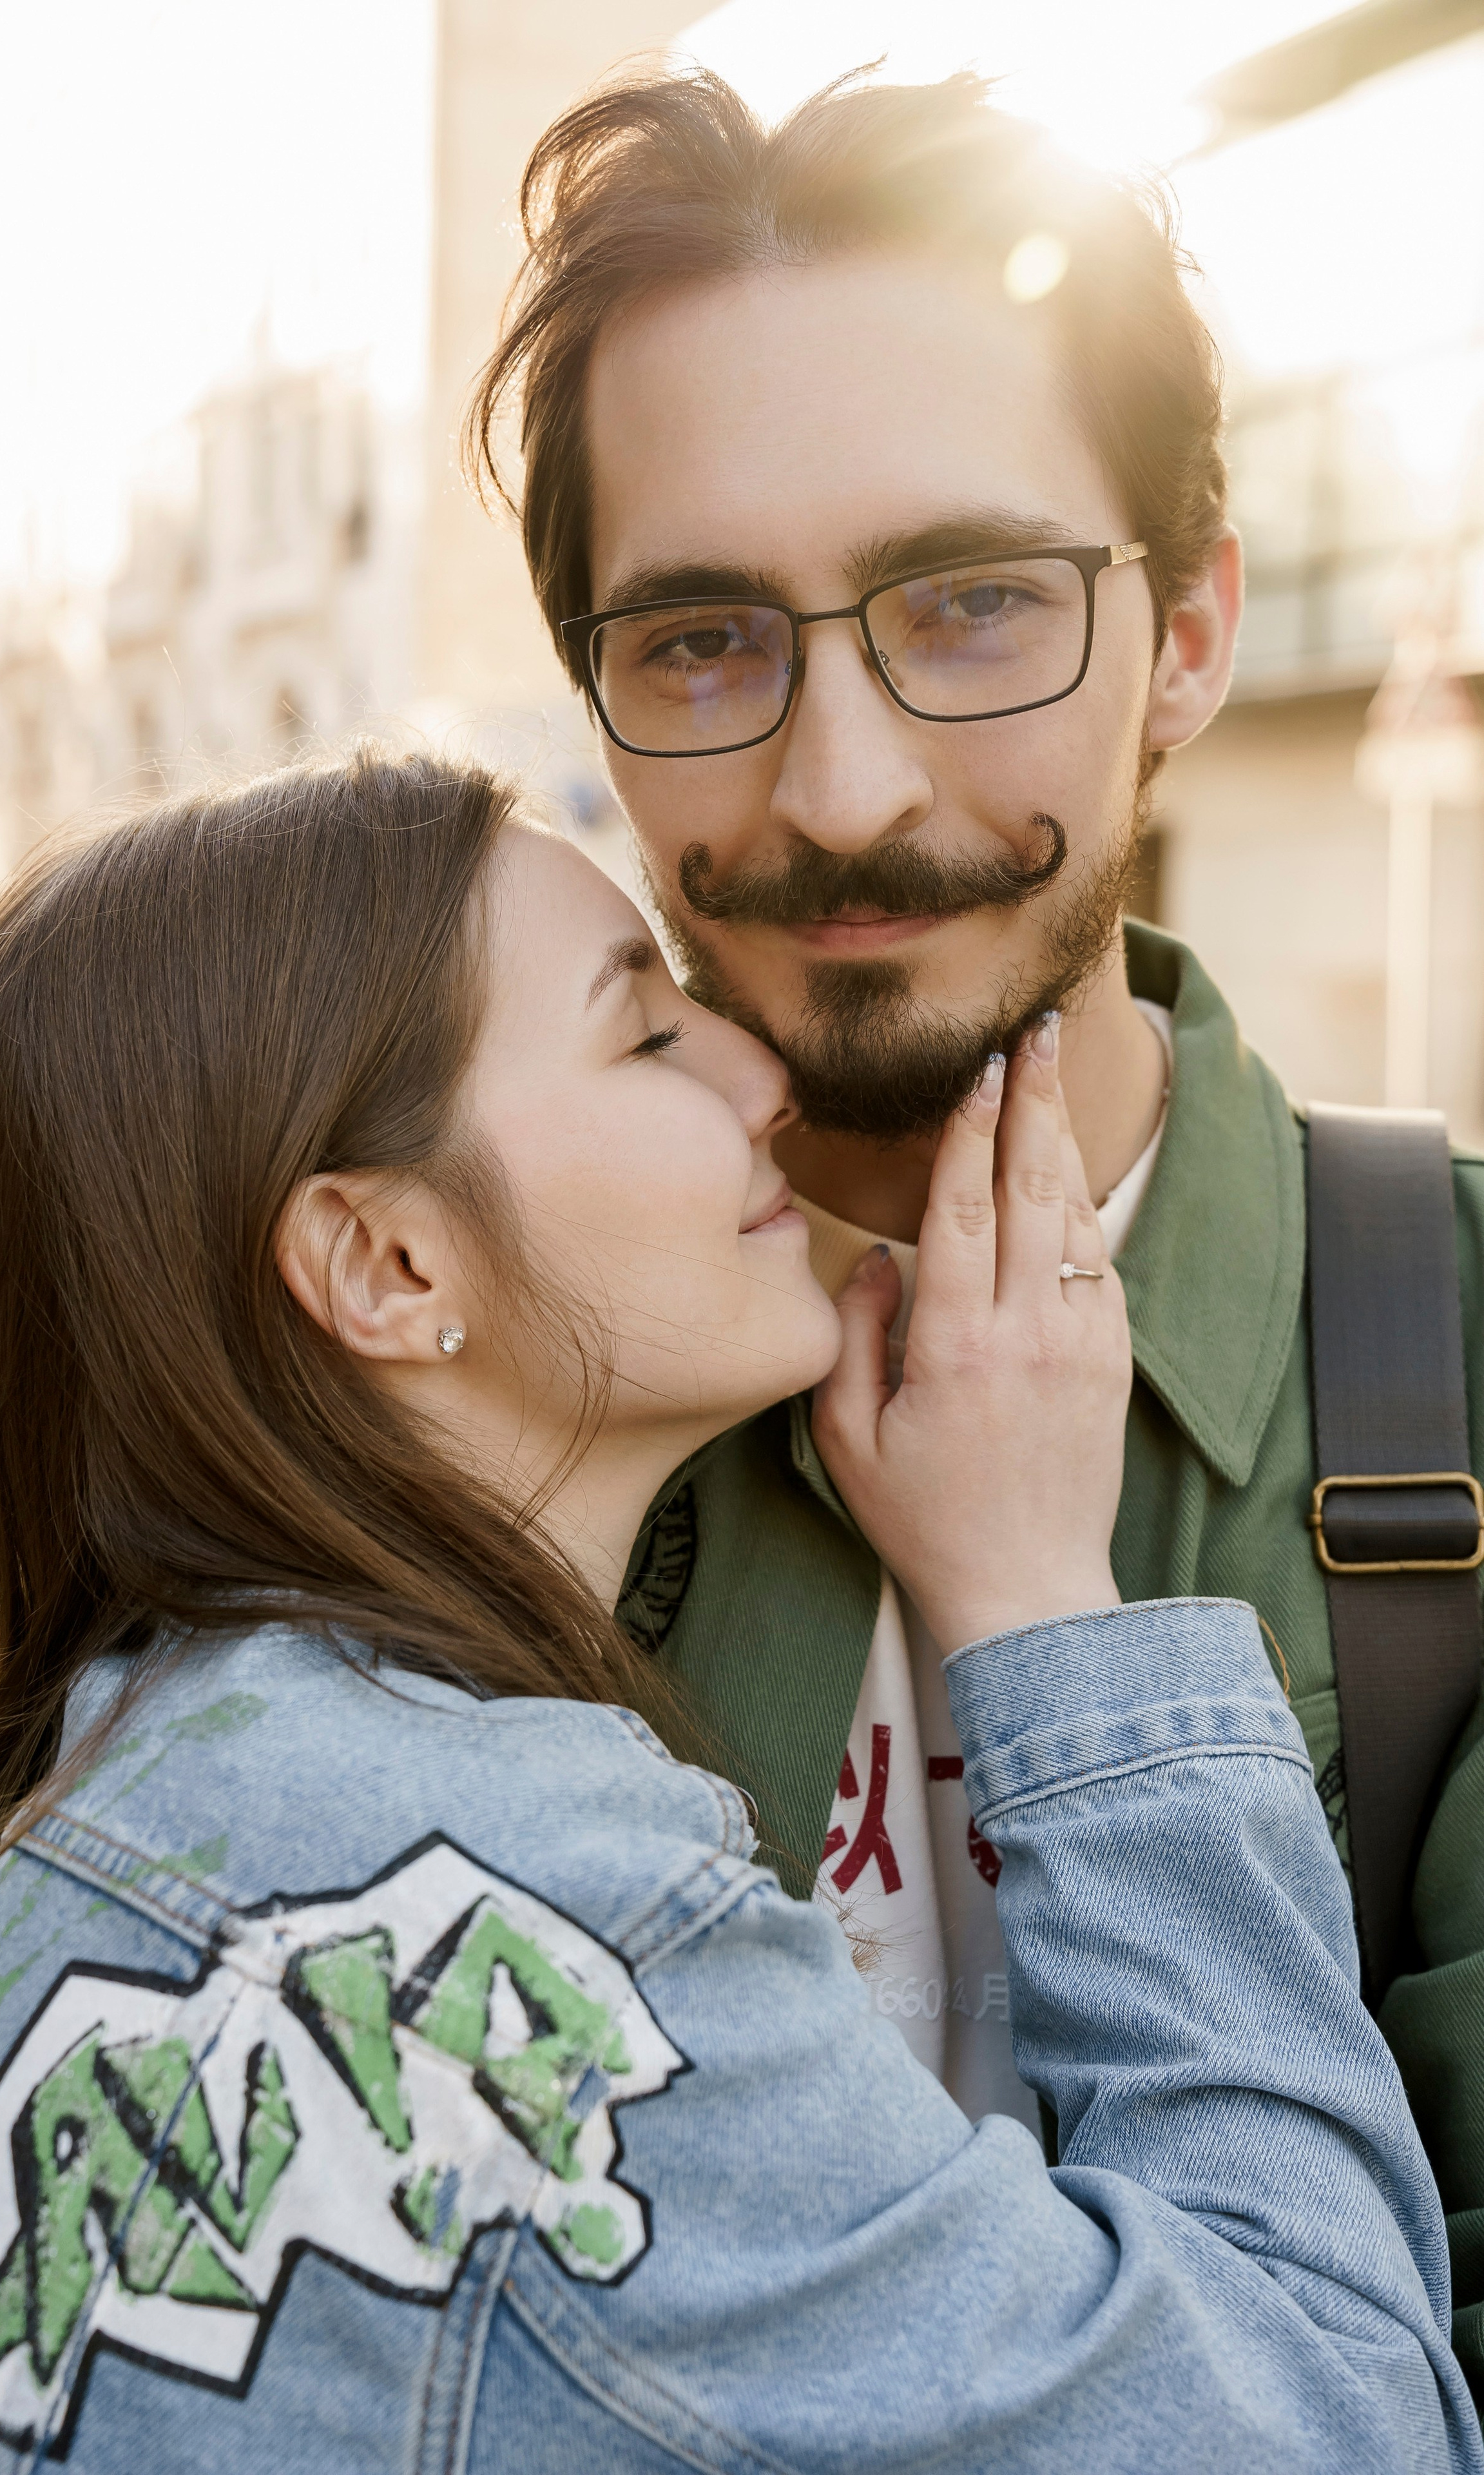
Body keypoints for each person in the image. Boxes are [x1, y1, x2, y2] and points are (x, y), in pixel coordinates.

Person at [0, 746, 1472, 2467]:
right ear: (388, 1267)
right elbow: (1338, 2414)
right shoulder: (507, 1930)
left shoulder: (109, 1810)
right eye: (645, 1031)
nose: (763, 1070)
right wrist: (1043, 1599)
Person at [470, 57, 1484, 2372]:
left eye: (975, 605)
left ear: (1193, 638)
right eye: (704, 644)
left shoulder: (1469, 1355)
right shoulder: (432, 1372)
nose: (839, 792)